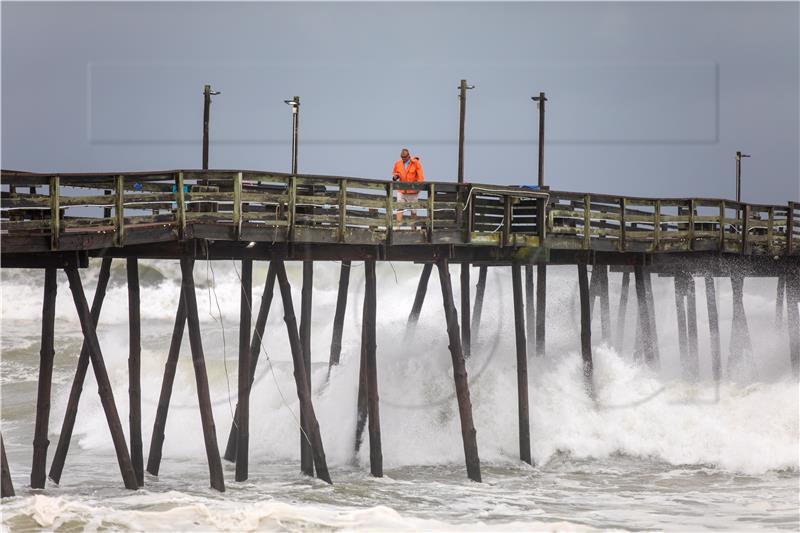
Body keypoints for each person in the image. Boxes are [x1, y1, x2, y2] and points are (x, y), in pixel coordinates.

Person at [391, 148, 424, 223]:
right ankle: (397, 227)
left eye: (405, 157)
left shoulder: (416, 163)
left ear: (409, 156)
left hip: (413, 191)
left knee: (413, 210)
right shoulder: (398, 163)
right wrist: (395, 177)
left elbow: (420, 177)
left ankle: (413, 228)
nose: (403, 159)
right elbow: (395, 172)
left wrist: (418, 187)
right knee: (399, 208)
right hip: (401, 190)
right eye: (402, 157)